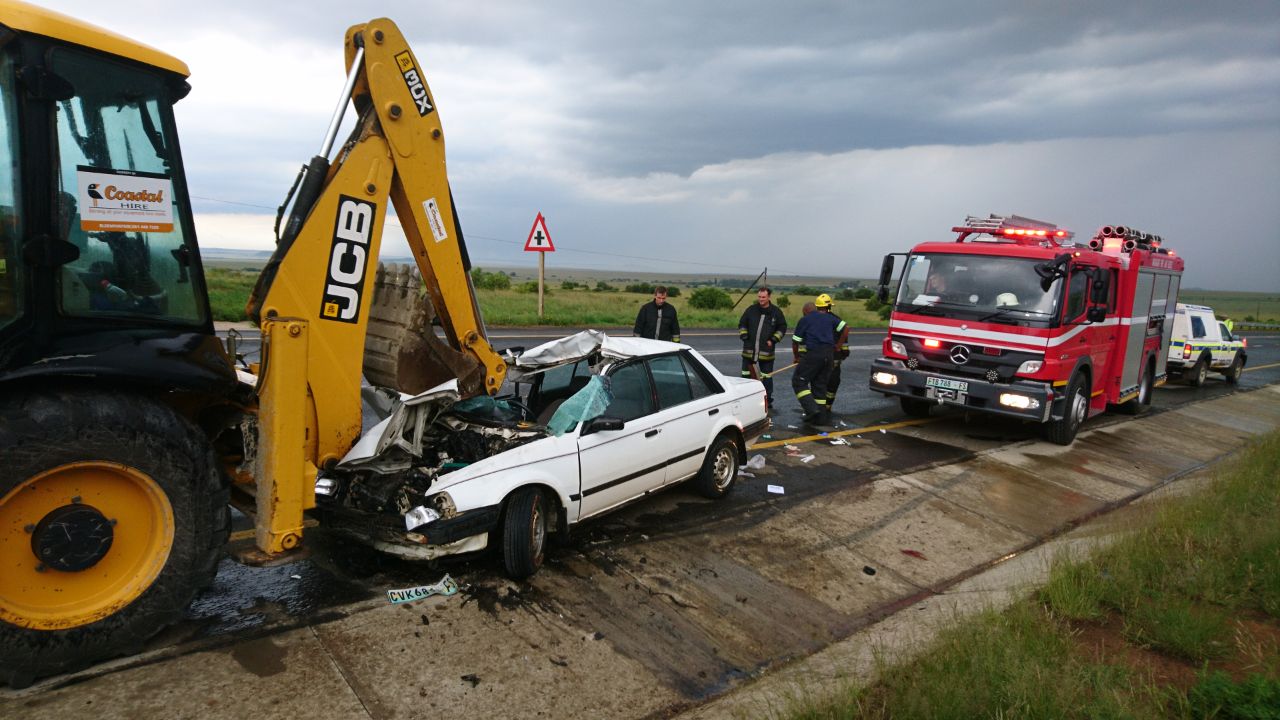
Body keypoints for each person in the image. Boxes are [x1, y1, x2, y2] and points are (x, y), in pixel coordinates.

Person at [791, 294, 841, 425]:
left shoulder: (806, 320)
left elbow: (795, 341)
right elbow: (845, 327)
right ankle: (820, 418)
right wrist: (838, 346)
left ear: (807, 312)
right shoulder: (829, 318)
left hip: (814, 355)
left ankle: (811, 409)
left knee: (798, 381)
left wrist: (796, 357)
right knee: (819, 386)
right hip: (829, 356)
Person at [738, 286, 787, 408]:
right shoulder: (751, 310)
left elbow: (782, 327)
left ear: (769, 297)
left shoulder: (776, 312)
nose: (761, 299)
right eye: (759, 297)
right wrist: (744, 335)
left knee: (766, 377)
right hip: (749, 351)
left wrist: (774, 339)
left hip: (766, 352)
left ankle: (767, 400)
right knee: (746, 375)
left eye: (763, 297)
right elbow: (742, 323)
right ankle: (746, 398)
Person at [823, 303, 850, 410]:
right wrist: (843, 350)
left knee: (819, 382)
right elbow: (845, 331)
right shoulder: (836, 320)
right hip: (834, 358)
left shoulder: (815, 319)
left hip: (820, 357)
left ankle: (819, 405)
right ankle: (828, 405)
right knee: (833, 382)